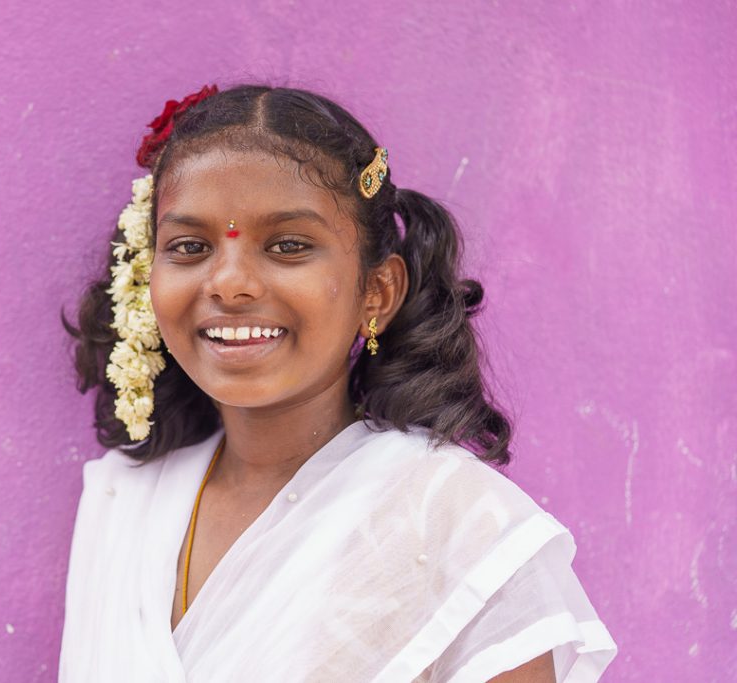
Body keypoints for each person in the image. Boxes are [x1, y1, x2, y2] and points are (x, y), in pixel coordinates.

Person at [59, 84, 617, 682]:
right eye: (190, 247)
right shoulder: (125, 499)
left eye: (289, 246)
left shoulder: (455, 523)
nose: (228, 284)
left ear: (376, 293)